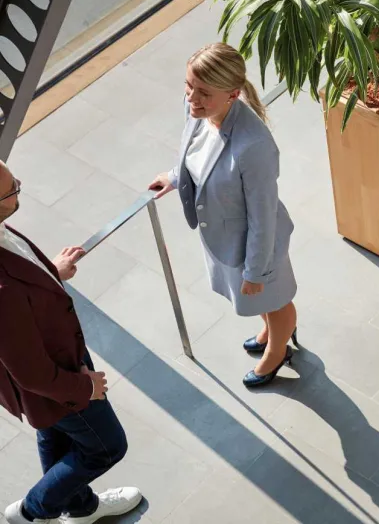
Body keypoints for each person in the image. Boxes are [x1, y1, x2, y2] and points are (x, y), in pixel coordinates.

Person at [148, 42, 299, 388]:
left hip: (255, 244)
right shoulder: (199, 111)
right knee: (260, 300)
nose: (191, 98)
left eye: (203, 92)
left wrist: (256, 269)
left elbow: (264, 217)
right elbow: (196, 154)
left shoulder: (254, 146)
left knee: (275, 301)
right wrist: (174, 177)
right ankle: (270, 333)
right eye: (188, 86)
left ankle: (277, 352)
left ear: (232, 94)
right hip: (226, 237)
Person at [0, 162, 142, 524]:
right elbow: (32, 373)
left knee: (55, 434)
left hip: (58, 363)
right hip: (59, 376)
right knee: (107, 446)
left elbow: (21, 286)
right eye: (12, 187)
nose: (20, 184)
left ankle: (80, 509)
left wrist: (50, 273)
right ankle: (33, 513)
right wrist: (84, 387)